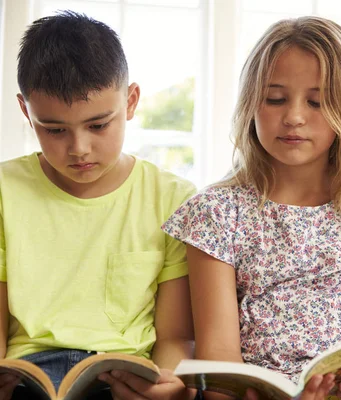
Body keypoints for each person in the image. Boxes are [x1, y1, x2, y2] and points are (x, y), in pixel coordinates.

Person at [162, 15, 341, 400]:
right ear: (250, 104)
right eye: (275, 99)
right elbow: (219, 358)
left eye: (316, 102)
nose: (293, 116)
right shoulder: (215, 213)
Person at [0, 11, 198, 400]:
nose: (79, 149)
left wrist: (171, 386)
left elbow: (176, 338)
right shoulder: (6, 191)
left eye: (98, 125)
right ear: (26, 112)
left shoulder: (174, 198)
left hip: (126, 381)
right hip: (28, 381)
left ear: (131, 101)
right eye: (54, 130)